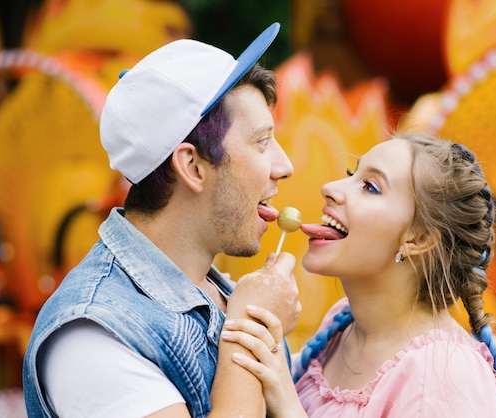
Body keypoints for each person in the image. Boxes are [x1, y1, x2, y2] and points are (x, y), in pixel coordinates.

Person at [23, 22, 302, 417]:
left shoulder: (224, 293)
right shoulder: (93, 333)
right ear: (192, 166)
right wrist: (251, 328)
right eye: (261, 142)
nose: (284, 166)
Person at [220, 132, 496, 417]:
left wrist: (288, 405)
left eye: (370, 187)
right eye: (351, 174)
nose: (329, 188)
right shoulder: (342, 325)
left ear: (418, 238)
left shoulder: (443, 375)